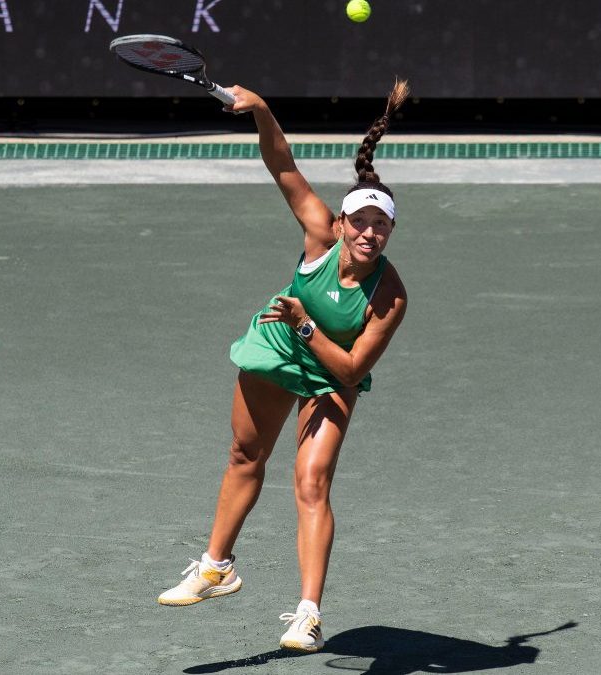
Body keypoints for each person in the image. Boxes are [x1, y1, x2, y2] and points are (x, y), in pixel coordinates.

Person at [156, 79, 410, 654]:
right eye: (361, 222)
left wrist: (303, 323)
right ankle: (216, 567)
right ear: (342, 224)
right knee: (246, 456)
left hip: (327, 371)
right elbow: (284, 167)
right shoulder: (319, 234)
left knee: (311, 482)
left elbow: (348, 369)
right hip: (276, 352)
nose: (370, 233)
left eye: (382, 226)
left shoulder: (389, 295)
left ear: (392, 231)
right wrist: (264, 111)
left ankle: (307, 614)